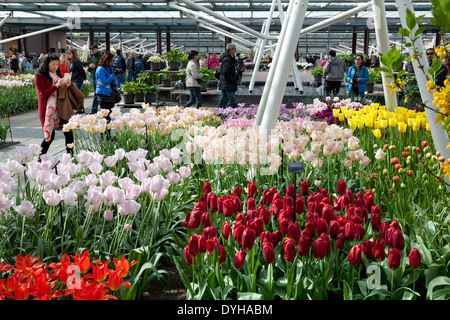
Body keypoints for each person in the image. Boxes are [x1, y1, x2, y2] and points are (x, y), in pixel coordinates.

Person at [34, 52, 74, 157]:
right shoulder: (39, 76)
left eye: (57, 64)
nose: (55, 67)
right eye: (53, 64)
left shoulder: (57, 75)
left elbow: (62, 91)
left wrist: (67, 85)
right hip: (47, 109)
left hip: (61, 108)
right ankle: (40, 158)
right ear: (46, 64)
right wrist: (56, 86)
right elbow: (42, 94)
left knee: (68, 131)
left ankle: (70, 157)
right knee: (50, 136)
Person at [95, 51, 119, 139]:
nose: (112, 63)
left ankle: (108, 135)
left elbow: (113, 81)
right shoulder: (100, 69)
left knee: (110, 117)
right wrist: (113, 75)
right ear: (106, 60)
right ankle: (103, 136)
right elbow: (105, 82)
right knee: (106, 117)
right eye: (111, 61)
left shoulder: (110, 68)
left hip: (110, 94)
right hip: (103, 95)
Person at [218, 43, 238, 108]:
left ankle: (220, 113)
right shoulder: (228, 59)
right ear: (230, 50)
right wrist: (232, 79)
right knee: (231, 100)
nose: (236, 50)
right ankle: (227, 113)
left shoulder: (228, 58)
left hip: (225, 83)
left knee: (224, 99)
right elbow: (224, 71)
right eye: (235, 49)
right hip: (228, 83)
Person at [67, 48, 87, 114]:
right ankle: (80, 108)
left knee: (76, 94)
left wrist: (84, 77)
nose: (68, 55)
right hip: (73, 79)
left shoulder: (76, 61)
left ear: (73, 54)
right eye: (68, 54)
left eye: (70, 54)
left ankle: (79, 109)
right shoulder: (71, 62)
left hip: (78, 79)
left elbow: (81, 70)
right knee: (75, 94)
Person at [87, 44, 102, 114]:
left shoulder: (100, 57)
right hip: (94, 77)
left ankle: (94, 109)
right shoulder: (92, 57)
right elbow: (90, 67)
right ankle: (98, 109)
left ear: (97, 49)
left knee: (97, 94)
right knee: (97, 94)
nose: (91, 51)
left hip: (99, 77)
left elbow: (102, 65)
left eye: (93, 49)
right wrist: (89, 68)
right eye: (90, 49)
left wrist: (94, 66)